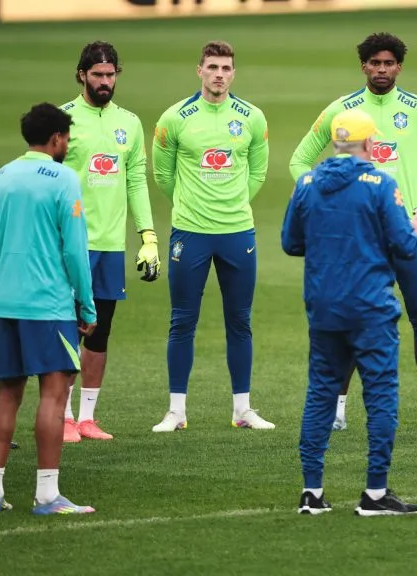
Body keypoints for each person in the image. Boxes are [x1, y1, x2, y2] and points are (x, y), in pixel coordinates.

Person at [289, 32, 417, 434]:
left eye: (389, 63)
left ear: (399, 67)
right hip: (362, 239)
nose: (382, 70)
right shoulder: (342, 111)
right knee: (354, 321)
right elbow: (299, 160)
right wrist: (329, 202)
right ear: (364, 66)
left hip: (411, 233)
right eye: (375, 63)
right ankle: (338, 409)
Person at [283, 108, 417, 516]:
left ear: (336, 143)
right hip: (370, 306)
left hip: (324, 307)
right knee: (381, 395)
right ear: (370, 145)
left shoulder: (308, 183)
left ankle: (311, 493)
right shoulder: (380, 185)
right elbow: (405, 247)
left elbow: (290, 243)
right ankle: (374, 494)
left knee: (320, 395)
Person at [150, 40, 274, 432]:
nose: (219, 74)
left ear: (233, 73)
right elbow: (163, 174)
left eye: (226, 68)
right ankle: (176, 411)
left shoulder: (252, 117)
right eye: (212, 67)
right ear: (199, 70)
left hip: (238, 232)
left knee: (241, 321)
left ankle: (242, 409)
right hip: (191, 231)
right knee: (182, 321)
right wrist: (193, 205)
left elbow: (257, 172)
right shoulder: (175, 118)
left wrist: (230, 204)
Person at [0, 103, 97, 515]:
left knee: (7, 393)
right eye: (66, 138)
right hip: (48, 304)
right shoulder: (64, 179)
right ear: (55, 139)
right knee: (54, 392)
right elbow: (74, 249)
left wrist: (8, 285)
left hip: (6, 301)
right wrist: (85, 303)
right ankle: (47, 494)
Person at [59, 41, 159, 442]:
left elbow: (136, 181)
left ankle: (87, 418)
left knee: (100, 332)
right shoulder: (63, 119)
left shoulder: (129, 123)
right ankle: (62, 416)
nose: (105, 81)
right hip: (70, 245)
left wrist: (148, 236)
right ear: (82, 74)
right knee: (67, 329)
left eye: (111, 74)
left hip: (110, 247)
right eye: (98, 74)